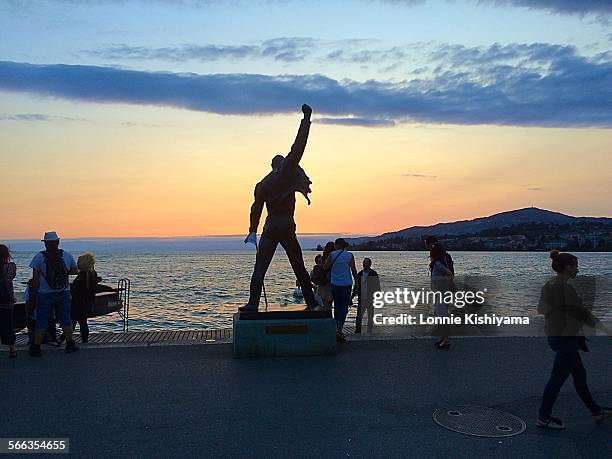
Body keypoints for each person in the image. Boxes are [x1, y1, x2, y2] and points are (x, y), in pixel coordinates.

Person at [240, 104, 317, 312]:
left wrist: (252, 230)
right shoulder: (286, 172)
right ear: (281, 165)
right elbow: (298, 146)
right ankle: (311, 303)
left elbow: (255, 208)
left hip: (270, 226)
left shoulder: (261, 184)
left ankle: (252, 304)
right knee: (298, 266)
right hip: (286, 225)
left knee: (260, 267)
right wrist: (306, 119)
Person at [536, 250, 612, 430]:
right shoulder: (565, 288)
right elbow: (583, 313)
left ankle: (596, 411)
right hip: (565, 340)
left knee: (579, 375)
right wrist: (605, 329)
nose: (577, 269)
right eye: (575, 266)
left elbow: (541, 309)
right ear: (567, 268)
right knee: (557, 379)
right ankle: (543, 417)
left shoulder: (549, 285)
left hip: (556, 336)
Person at [28, 231, 79, 357]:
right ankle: (70, 344)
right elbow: (75, 270)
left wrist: (35, 292)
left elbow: (35, 279)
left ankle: (36, 347)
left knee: (42, 320)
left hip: (44, 294)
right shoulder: (66, 255)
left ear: (45, 244)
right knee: (65, 318)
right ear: (58, 242)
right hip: (63, 292)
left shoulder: (39, 257)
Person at [324, 238, 358, 342]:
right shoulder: (349, 255)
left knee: (337, 306)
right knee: (344, 306)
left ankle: (336, 329)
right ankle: (339, 330)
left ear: (337, 245)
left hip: (335, 284)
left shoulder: (332, 255)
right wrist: (357, 282)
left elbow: (325, 267)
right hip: (346, 284)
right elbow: (353, 269)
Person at [68, 252, 102, 343]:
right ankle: (84, 341)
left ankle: (65, 339)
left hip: (78, 303)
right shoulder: (92, 274)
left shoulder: (82, 276)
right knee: (82, 323)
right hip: (87, 302)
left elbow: (75, 290)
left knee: (73, 322)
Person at [429, 242, 454, 349]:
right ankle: (442, 337)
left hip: (441, 292)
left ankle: (445, 339)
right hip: (439, 292)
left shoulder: (438, 264)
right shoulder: (437, 263)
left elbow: (449, 274)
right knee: (439, 315)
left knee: (442, 315)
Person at [353, 257, 381, 334]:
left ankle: (369, 331)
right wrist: (352, 297)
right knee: (359, 316)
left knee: (370, 316)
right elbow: (356, 286)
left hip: (370, 298)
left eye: (366, 263)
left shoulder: (373, 274)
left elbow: (377, 286)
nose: (364, 264)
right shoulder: (360, 274)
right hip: (361, 298)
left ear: (370, 264)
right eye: (363, 263)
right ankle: (357, 331)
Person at [0, 244, 17, 358]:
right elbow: (13, 276)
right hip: (7, 301)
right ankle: (12, 349)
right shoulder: (11, 266)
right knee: (9, 325)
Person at [310, 242, 334, 311]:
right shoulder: (332, 258)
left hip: (322, 283)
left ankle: (325, 316)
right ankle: (328, 316)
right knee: (329, 303)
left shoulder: (323, 258)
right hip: (329, 283)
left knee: (324, 303)